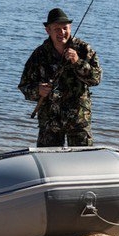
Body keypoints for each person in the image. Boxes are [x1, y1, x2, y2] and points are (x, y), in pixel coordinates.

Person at [19, 8, 102, 147]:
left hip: (78, 120)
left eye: (65, 28)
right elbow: (24, 86)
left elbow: (96, 78)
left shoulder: (83, 50)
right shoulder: (39, 54)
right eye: (56, 29)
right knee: (48, 163)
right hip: (49, 123)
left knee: (82, 163)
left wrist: (78, 62)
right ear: (48, 30)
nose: (62, 33)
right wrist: (38, 90)